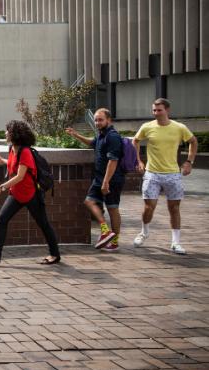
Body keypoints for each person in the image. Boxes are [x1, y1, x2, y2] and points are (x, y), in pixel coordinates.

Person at [0, 120, 61, 265]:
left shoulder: (25, 152)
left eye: (8, 131)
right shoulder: (12, 149)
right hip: (16, 193)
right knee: (2, 218)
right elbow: (14, 165)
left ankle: (55, 255)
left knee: (43, 223)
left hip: (31, 195)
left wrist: (1, 187)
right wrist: (2, 161)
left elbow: (20, 176)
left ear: (15, 134)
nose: (5, 133)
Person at [132, 98, 198, 254]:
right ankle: (144, 233)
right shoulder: (147, 127)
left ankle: (175, 242)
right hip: (152, 173)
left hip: (173, 174)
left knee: (174, 208)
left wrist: (189, 162)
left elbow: (193, 141)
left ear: (167, 110)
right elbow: (135, 141)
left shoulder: (179, 128)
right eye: (154, 110)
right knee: (149, 207)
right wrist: (139, 160)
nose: (156, 113)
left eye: (159, 110)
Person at [65, 108, 124, 251]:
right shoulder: (101, 135)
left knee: (112, 208)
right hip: (99, 178)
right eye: (96, 120)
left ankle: (114, 241)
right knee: (89, 201)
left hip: (111, 179)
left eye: (100, 120)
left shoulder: (113, 136)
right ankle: (105, 230)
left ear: (109, 120)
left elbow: (113, 161)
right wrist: (76, 135)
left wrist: (106, 182)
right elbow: (92, 143)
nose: (97, 122)